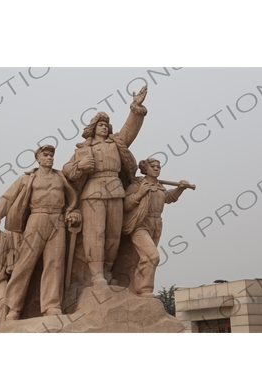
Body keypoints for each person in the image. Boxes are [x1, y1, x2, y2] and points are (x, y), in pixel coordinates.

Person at [0, 145, 81, 320]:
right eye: (46, 154)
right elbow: (7, 197)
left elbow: (72, 199)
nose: (49, 157)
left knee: (55, 264)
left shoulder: (60, 177)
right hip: (37, 218)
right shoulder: (28, 178)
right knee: (24, 263)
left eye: (51, 155)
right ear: (38, 158)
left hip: (57, 221)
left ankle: (52, 306)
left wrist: (73, 212)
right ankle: (13, 307)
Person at [63, 86, 148, 288]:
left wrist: (136, 108)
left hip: (116, 191)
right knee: (96, 233)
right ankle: (96, 274)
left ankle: (108, 271)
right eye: (100, 124)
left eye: (106, 125)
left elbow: (130, 130)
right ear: (93, 128)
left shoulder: (116, 144)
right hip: (93, 193)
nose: (104, 127)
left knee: (113, 235)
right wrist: (80, 166)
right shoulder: (84, 149)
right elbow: (67, 170)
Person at [122, 158, 189, 297]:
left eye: (159, 166)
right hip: (140, 223)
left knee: (141, 258)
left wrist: (180, 189)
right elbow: (125, 205)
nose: (157, 168)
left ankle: (133, 289)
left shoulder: (159, 186)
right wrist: (139, 193)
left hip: (157, 224)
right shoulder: (138, 185)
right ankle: (144, 289)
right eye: (153, 166)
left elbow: (168, 198)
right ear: (146, 169)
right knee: (152, 256)